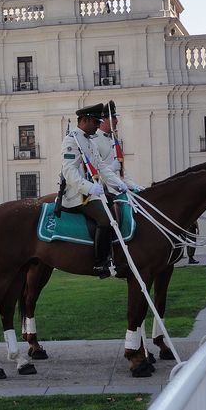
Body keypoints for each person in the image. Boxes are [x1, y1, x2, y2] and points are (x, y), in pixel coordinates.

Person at [60, 102, 128, 278]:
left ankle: (115, 255)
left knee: (119, 207)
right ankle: (100, 263)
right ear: (84, 120)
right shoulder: (71, 140)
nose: (98, 126)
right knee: (105, 219)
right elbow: (69, 172)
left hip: (91, 193)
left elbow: (102, 168)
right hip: (76, 195)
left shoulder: (90, 142)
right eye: (96, 122)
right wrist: (90, 187)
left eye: (99, 122)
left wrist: (119, 183)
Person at [96, 100, 144, 225]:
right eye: (114, 119)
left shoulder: (113, 140)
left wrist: (134, 186)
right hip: (105, 192)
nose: (117, 121)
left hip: (120, 190)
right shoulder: (94, 140)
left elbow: (122, 172)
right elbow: (94, 173)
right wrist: (112, 168)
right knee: (110, 221)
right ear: (103, 120)